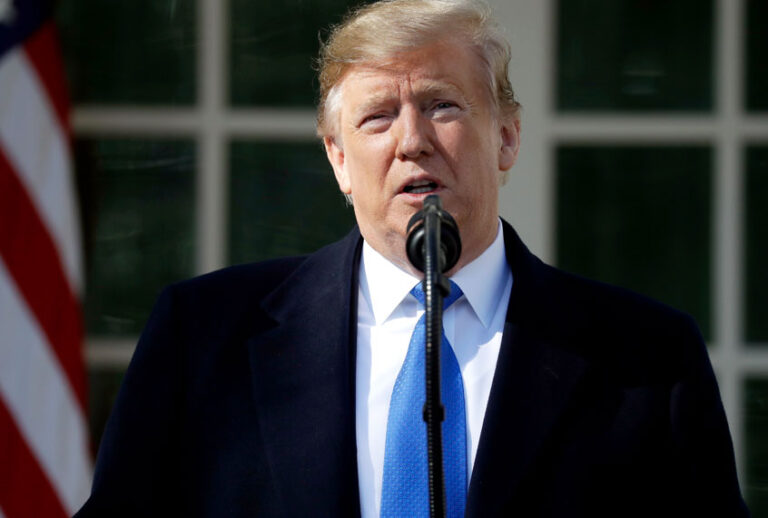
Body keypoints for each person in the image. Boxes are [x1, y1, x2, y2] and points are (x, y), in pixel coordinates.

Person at [75, 0, 749, 517]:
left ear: (508, 138)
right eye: (376, 118)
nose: (412, 141)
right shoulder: (204, 337)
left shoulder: (648, 357)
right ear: (339, 159)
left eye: (441, 106)